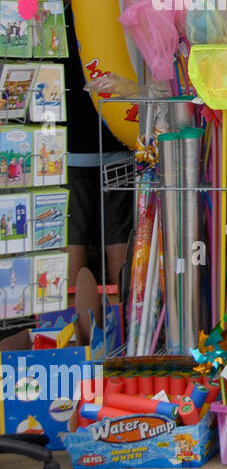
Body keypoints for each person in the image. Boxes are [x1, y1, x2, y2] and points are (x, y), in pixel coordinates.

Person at [63, 43, 133, 290]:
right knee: (118, 230)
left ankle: (72, 316)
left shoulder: (62, 20)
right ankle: (126, 312)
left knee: (73, 230)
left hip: (72, 145)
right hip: (116, 135)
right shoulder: (109, 8)